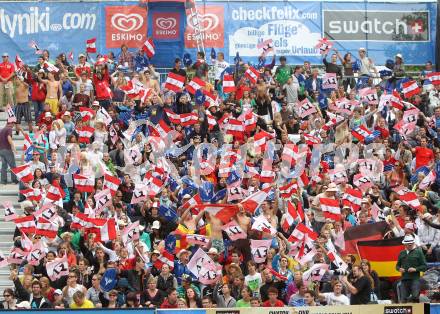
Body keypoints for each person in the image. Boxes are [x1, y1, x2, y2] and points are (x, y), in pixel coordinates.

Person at [396, 234, 427, 302]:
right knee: (403, 299)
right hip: (404, 279)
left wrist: (415, 269)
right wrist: (399, 269)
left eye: (411, 244)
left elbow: (424, 266)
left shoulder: (419, 252)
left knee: (415, 297)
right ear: (405, 244)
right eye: (408, 244)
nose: (410, 245)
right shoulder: (401, 253)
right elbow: (397, 266)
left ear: (413, 243)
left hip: (415, 279)